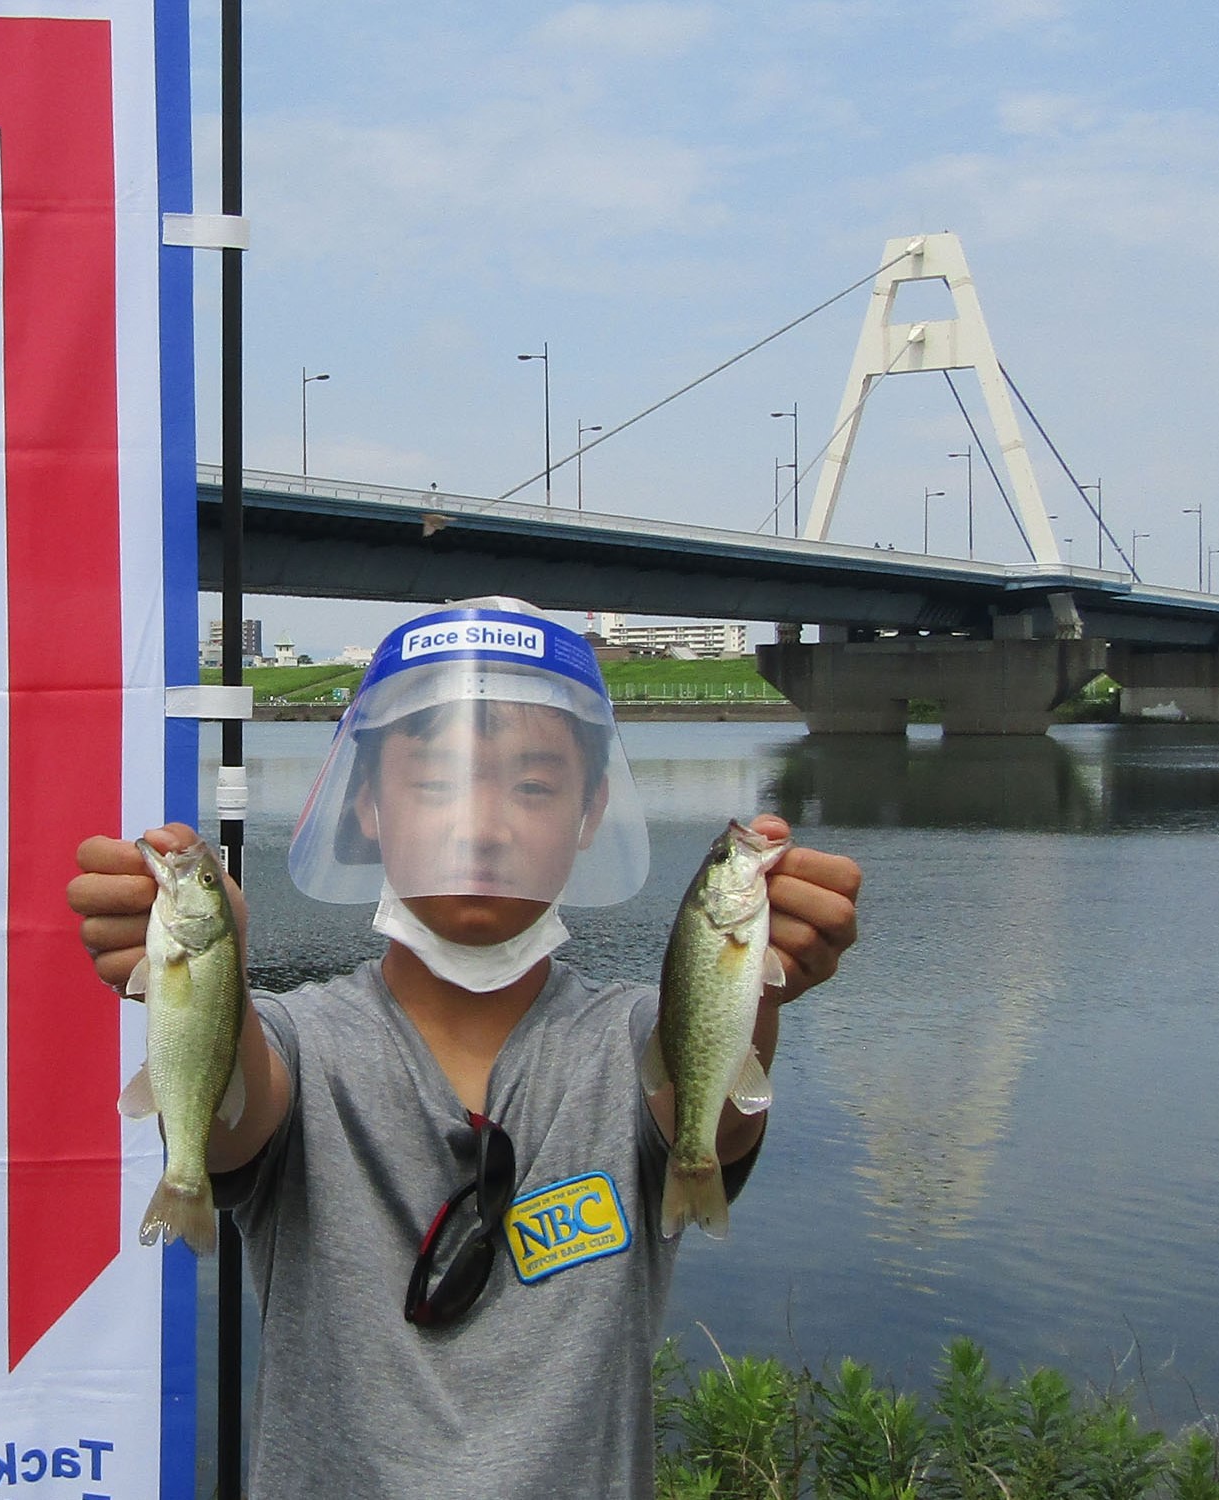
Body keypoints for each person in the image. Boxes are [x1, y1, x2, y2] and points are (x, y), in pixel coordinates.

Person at [69, 598, 861, 1498]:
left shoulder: (638, 1037)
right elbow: (232, 1114)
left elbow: (708, 1126)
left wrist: (759, 975)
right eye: (435, 781)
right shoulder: (298, 1040)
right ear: (366, 804)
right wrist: (207, 957)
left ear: (591, 810)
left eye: (531, 786)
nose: (481, 826)